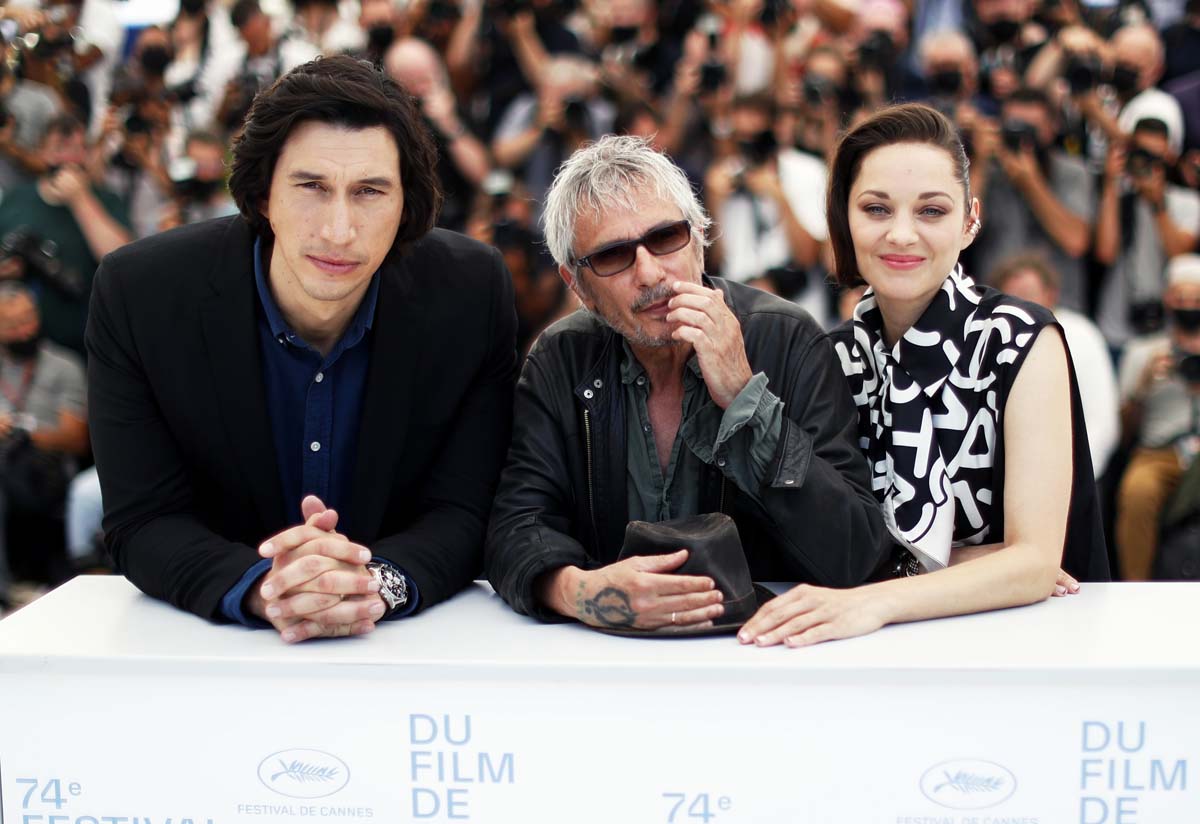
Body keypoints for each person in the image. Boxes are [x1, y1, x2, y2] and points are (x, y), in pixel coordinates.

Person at [86, 55, 517, 643]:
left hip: (402, 653)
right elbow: (143, 519)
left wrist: (374, 586)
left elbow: (465, 510)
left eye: (369, 192)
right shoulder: (141, 294)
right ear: (263, 193)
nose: (339, 230)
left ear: (405, 206)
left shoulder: (472, 291)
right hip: (211, 655)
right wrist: (263, 588)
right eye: (312, 187)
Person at [740, 103, 1108, 648]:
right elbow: (821, 543)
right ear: (844, 219)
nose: (902, 235)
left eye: (932, 211)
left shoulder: (1022, 339)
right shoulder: (833, 355)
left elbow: (1032, 565)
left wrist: (877, 593)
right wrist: (964, 560)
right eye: (876, 209)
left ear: (970, 220)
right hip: (873, 652)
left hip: (1034, 643)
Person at [485, 135, 885, 632]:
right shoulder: (560, 357)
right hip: (609, 657)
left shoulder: (787, 338)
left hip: (764, 650)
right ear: (577, 284)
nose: (650, 271)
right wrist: (584, 591)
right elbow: (516, 526)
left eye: (665, 237)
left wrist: (746, 397)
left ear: (699, 237)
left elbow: (855, 553)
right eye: (613, 256)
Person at [0, 114, 132, 357]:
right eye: (61, 148)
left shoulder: (106, 199)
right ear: (42, 152)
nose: (70, 159)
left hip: (90, 339)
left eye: (79, 148)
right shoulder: (15, 200)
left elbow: (122, 258)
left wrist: (80, 199)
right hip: (24, 342)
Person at [988, 254, 1119, 481]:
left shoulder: (1080, 335)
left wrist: (1078, 478)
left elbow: (1101, 419)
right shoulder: (987, 339)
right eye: (1010, 298)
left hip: (1073, 468)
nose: (1020, 305)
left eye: (1028, 296)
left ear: (1050, 295)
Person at [0, 283, 88, 603]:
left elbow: (77, 438)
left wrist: (23, 430)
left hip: (44, 466)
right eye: (13, 325)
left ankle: (6, 587)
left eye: (29, 319)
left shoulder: (63, 365)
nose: (25, 330)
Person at [1114, 254, 1200, 580]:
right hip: (1158, 452)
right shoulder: (1143, 351)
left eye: (1196, 300)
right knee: (1137, 491)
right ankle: (1136, 585)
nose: (1189, 306)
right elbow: (1123, 431)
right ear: (1168, 300)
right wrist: (1144, 383)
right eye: (1182, 299)